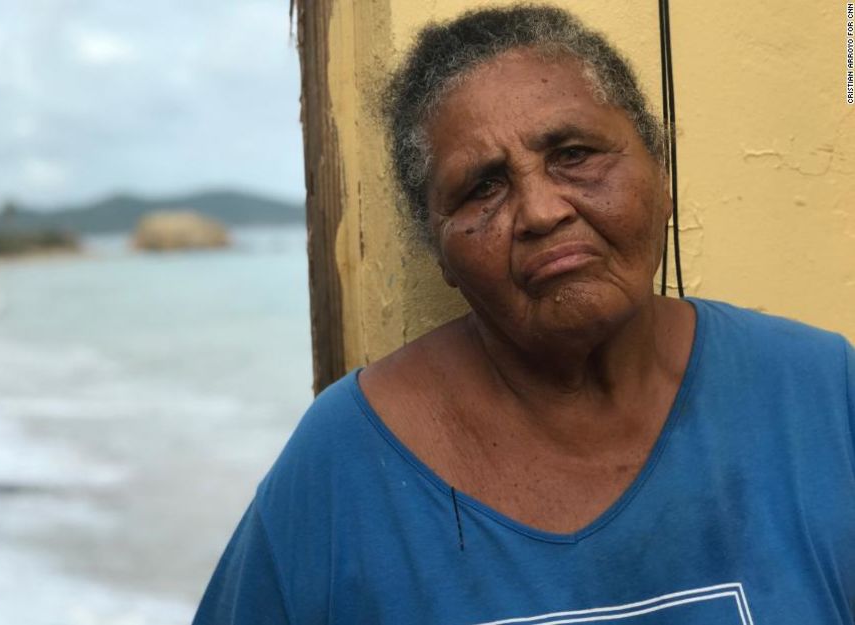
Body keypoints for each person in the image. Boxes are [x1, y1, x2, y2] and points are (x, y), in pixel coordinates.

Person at [194, 5, 855, 624]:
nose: (542, 212)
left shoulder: (823, 394)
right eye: (483, 186)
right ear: (441, 251)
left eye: (573, 154)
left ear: (661, 171)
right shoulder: (343, 465)